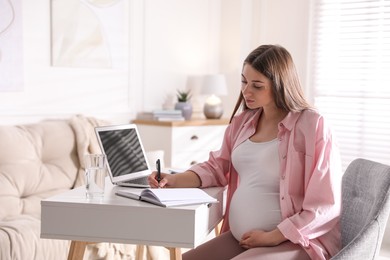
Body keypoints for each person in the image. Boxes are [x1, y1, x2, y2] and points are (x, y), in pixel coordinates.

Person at [148, 44, 342, 260]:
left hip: (293, 242)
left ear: (280, 85)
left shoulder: (312, 125)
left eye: (257, 86)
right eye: (244, 81)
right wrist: (173, 180)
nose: (246, 91)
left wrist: (274, 236)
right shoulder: (243, 122)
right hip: (243, 239)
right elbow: (217, 167)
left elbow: (326, 205)